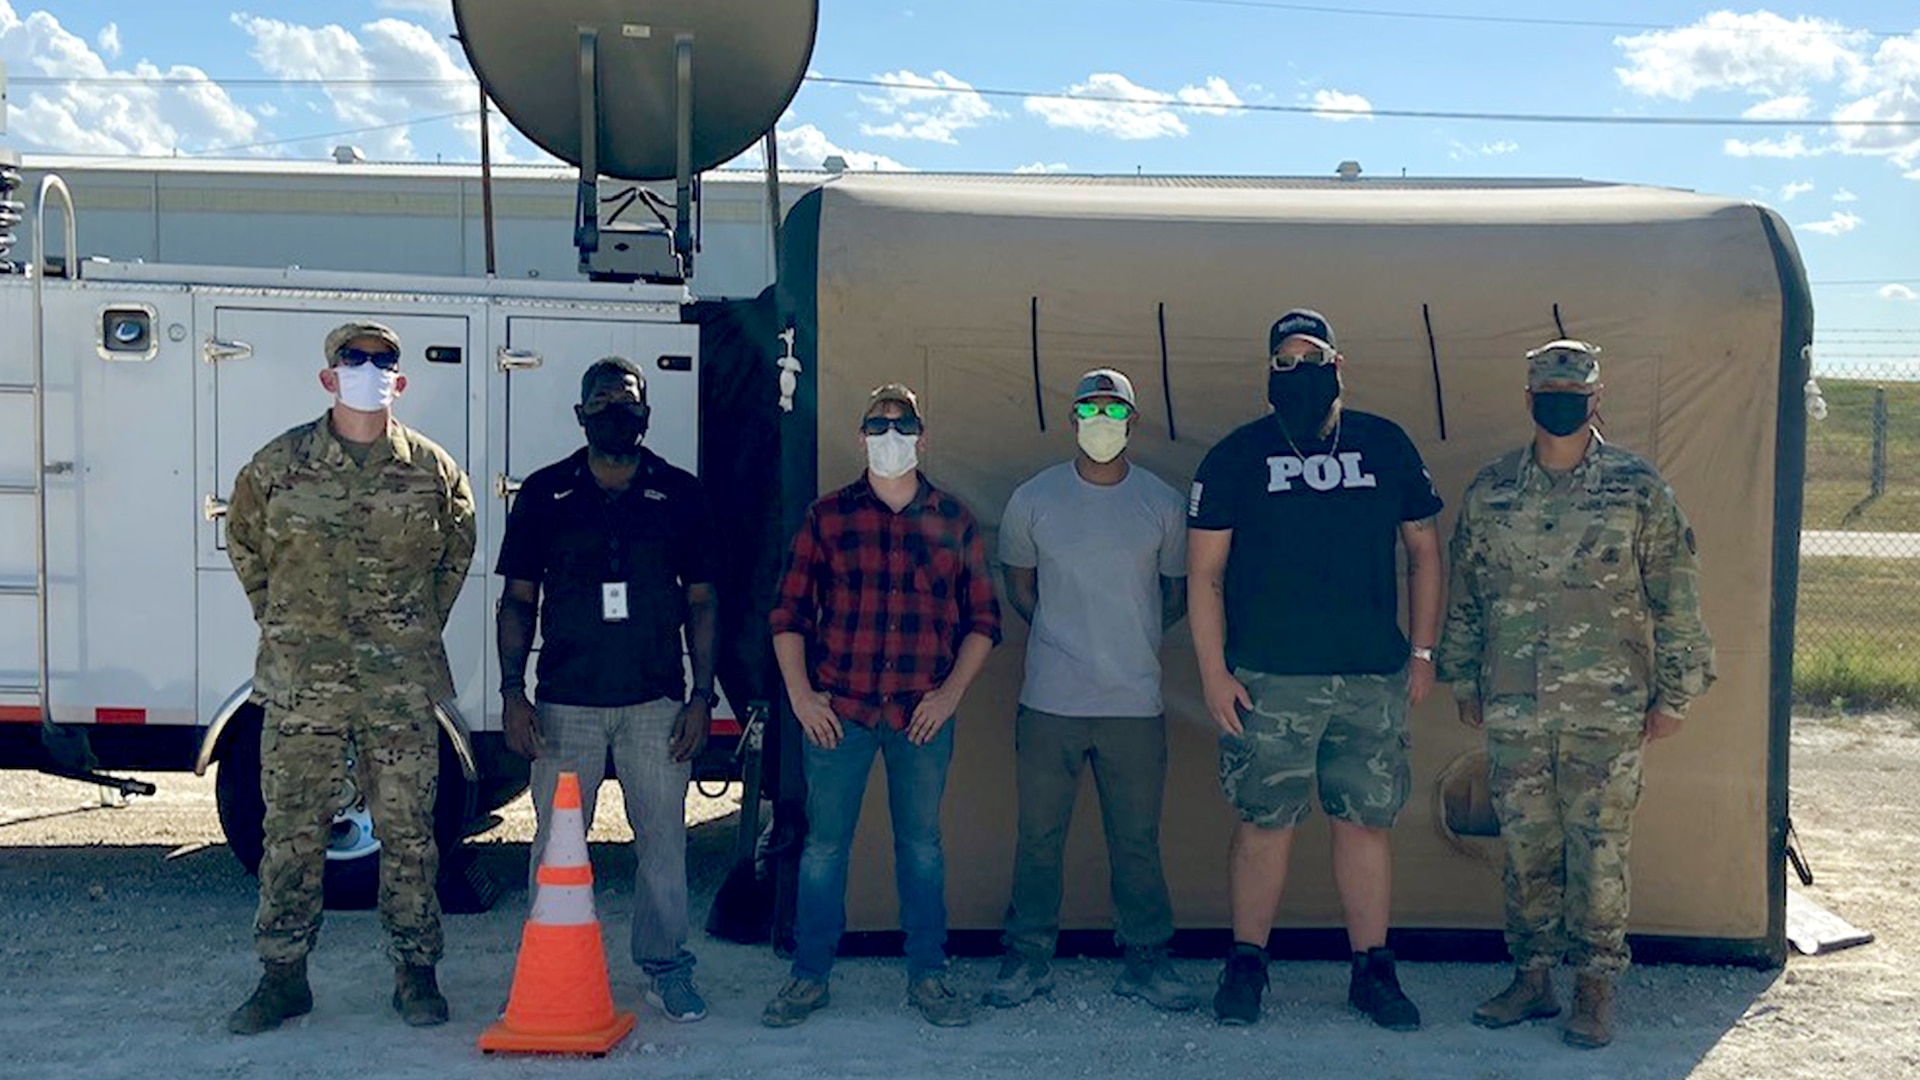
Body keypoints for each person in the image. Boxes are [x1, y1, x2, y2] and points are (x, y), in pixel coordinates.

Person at [1436, 339, 1715, 1049]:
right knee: (1527, 846)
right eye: (1549, 392)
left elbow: (1675, 595)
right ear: (1530, 400)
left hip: (1607, 708)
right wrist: (1465, 675)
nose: (1562, 403)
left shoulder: (1638, 489)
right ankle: (1532, 980)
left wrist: (1676, 693)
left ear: (1597, 400)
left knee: (1598, 850)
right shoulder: (1494, 489)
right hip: (1514, 704)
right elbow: (1467, 589)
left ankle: (1595, 988)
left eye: (1577, 392)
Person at [1187, 308, 1443, 1031]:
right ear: (1268, 372)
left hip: (1371, 678)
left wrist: (1421, 654)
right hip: (1269, 679)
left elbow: (1425, 551)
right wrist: (1212, 671)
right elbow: (1203, 575)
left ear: (1341, 364)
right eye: (1285, 362)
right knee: (1265, 825)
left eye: (1313, 357)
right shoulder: (1237, 456)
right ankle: (1246, 966)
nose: (1300, 373)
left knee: (1364, 824)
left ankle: (1373, 972)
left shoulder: (1384, 444)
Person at [224, 321, 476, 1034]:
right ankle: (281, 978)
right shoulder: (279, 465)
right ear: (328, 377)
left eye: (382, 361)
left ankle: (416, 973)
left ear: (399, 381)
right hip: (302, 683)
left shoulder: (432, 471)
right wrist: (279, 619)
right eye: (353, 359)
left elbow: (456, 553)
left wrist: (413, 627)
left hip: (399, 686)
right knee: (292, 833)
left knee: (409, 834)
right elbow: (244, 540)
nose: (368, 369)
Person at [761, 383, 1001, 1029]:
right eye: (878, 424)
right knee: (823, 850)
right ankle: (809, 977)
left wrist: (950, 696)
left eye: (902, 424)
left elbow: (984, 619)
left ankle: (929, 977)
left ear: (922, 436)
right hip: (839, 714)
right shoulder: (828, 517)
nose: (890, 435)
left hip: (920, 717)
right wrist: (801, 697)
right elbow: (786, 613)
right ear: (861, 435)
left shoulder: (952, 519)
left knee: (921, 846)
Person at [494, 356, 720, 1023]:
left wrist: (702, 698)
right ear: (580, 413)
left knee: (664, 845)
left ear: (646, 415)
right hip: (566, 703)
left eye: (627, 403)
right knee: (557, 844)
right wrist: (512, 691)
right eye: (602, 402)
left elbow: (703, 601)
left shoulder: (680, 494)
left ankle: (666, 967)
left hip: (655, 701)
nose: (615, 413)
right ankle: (550, 968)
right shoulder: (544, 494)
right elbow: (516, 600)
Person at [983, 368, 1197, 1013]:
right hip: (1051, 700)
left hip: (1134, 704)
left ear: (1132, 423)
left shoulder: (1160, 503)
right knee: (1038, 836)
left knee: (1136, 839)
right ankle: (1027, 961)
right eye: (1088, 410)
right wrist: (1063, 634)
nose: (1100, 423)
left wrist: (1128, 639)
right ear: (1071, 418)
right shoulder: (1034, 499)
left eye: (1113, 412)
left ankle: (1145, 961)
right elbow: (1020, 587)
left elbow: (1176, 596)